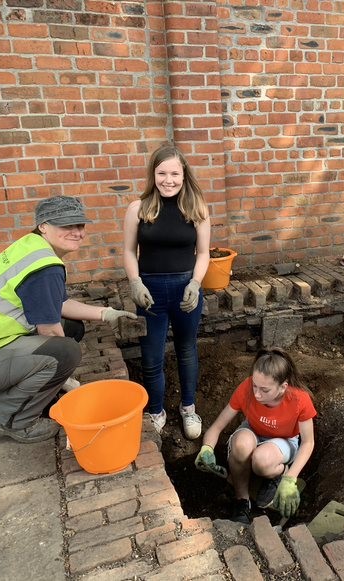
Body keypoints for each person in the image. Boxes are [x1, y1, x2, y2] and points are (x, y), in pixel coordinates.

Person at [0, 196, 137, 443]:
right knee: (65, 352)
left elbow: (58, 305)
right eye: (66, 226)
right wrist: (64, 378)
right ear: (44, 225)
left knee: (70, 329)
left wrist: (107, 314)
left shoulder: (32, 247)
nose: (77, 232)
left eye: (80, 225)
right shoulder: (45, 268)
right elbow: (50, 331)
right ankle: (10, 420)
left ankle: (1, 390)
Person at [123, 144, 211, 438]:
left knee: (187, 350)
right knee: (151, 356)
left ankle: (189, 408)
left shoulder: (196, 208)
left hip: (186, 290)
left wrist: (196, 284)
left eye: (175, 173)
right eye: (162, 173)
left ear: (184, 176)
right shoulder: (139, 208)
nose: (168, 180)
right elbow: (128, 251)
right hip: (151, 294)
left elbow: (203, 254)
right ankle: (156, 411)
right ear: (153, 174)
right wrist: (135, 282)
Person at [194, 348, 317, 524]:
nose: (257, 394)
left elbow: (308, 442)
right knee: (241, 445)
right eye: (255, 386)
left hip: (284, 442)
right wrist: (207, 449)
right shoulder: (246, 388)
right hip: (252, 431)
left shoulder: (299, 400)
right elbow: (216, 427)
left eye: (265, 390)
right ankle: (242, 502)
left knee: (262, 461)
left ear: (283, 387)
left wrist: (291, 479)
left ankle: (279, 474)